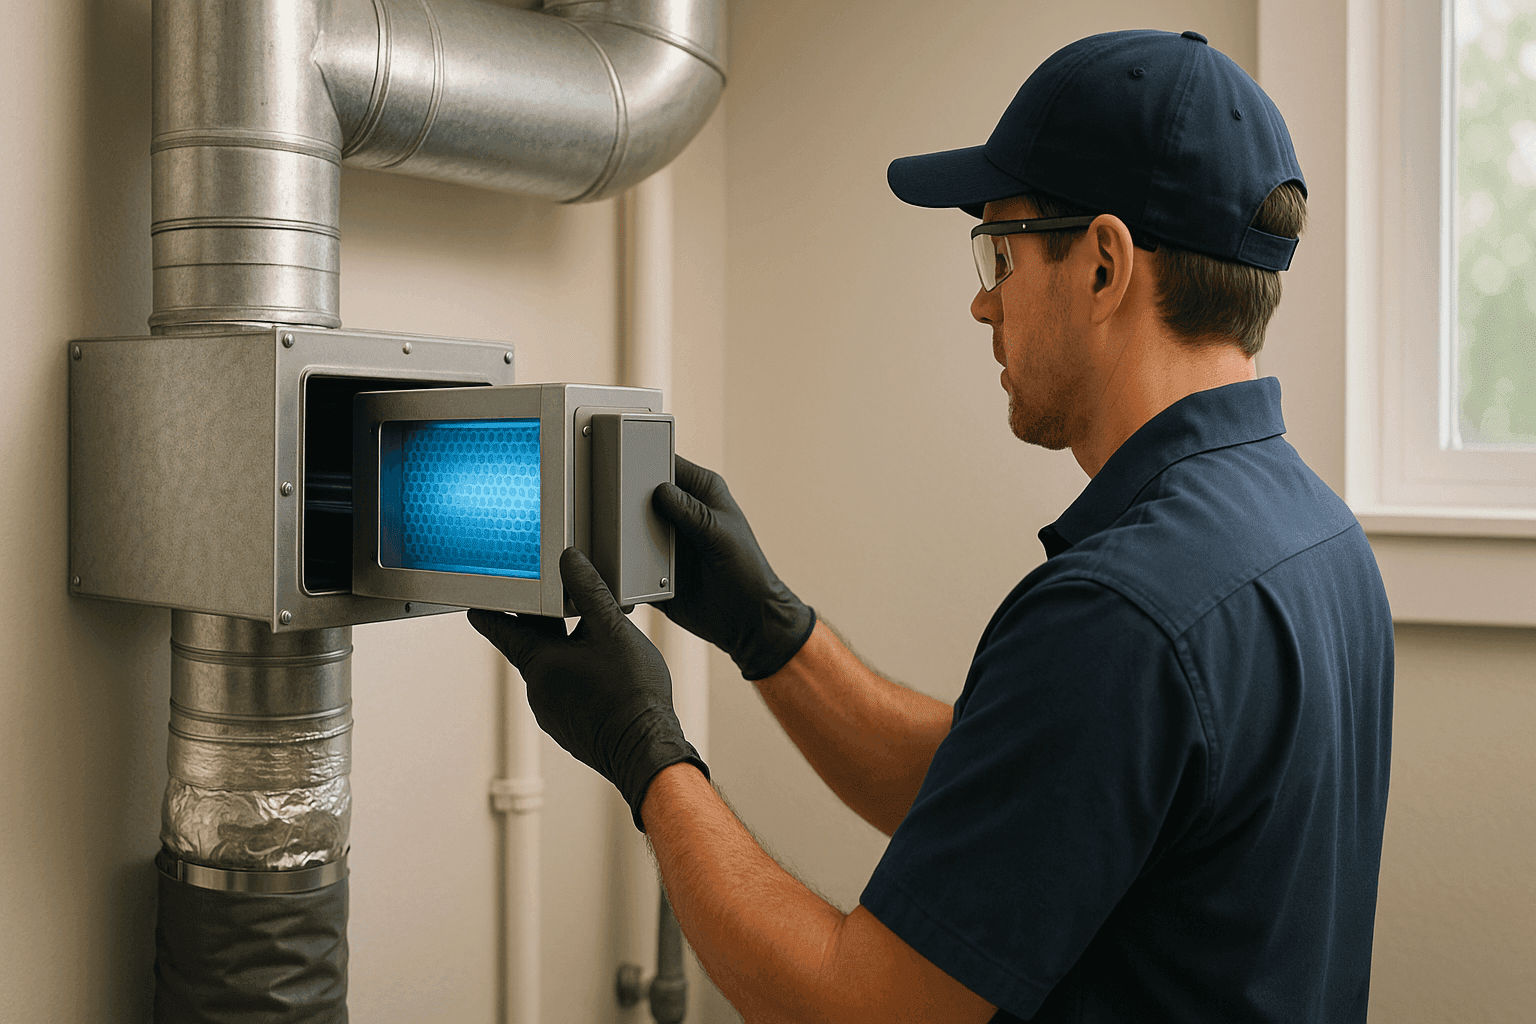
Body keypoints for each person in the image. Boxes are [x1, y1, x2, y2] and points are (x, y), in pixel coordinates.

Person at [470, 28, 1393, 1024]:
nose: (980, 301)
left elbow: (855, 1006)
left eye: (1000, 250)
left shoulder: (1124, 612)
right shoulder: (1315, 536)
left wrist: (644, 748)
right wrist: (768, 628)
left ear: (1103, 265)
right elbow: (1019, 796)